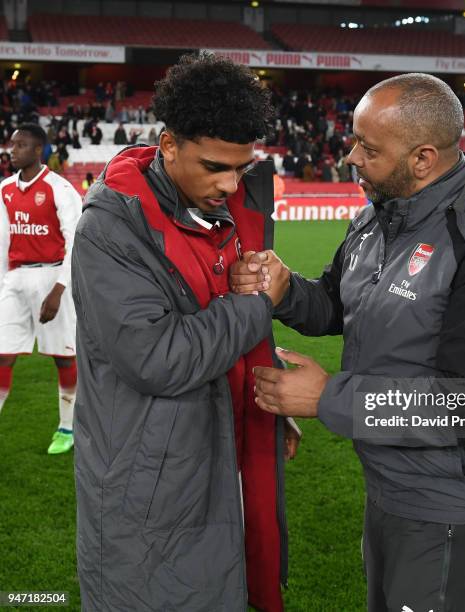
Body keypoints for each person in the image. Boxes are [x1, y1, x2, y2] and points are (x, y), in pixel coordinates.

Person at [231, 74, 465, 611]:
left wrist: (326, 398)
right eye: (356, 140)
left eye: (369, 147)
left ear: (423, 158)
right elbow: (341, 307)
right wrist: (287, 290)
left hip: (458, 505)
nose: (352, 157)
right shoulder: (378, 216)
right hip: (395, 488)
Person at [72, 53, 298, 612]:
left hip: (216, 456)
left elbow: (214, 323)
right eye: (215, 166)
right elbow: (157, 357)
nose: (230, 183)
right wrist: (255, 306)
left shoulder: (223, 210)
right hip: (146, 486)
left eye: (241, 168)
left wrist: (264, 404)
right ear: (168, 145)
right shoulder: (110, 225)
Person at [0, 123, 82, 454]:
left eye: (19, 145)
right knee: (3, 355)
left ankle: (67, 428)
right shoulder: (4, 188)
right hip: (16, 279)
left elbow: (76, 244)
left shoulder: (60, 189)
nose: (11, 150)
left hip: (53, 277)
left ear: (38, 151)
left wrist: (60, 290)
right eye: (11, 144)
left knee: (63, 358)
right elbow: (3, 241)